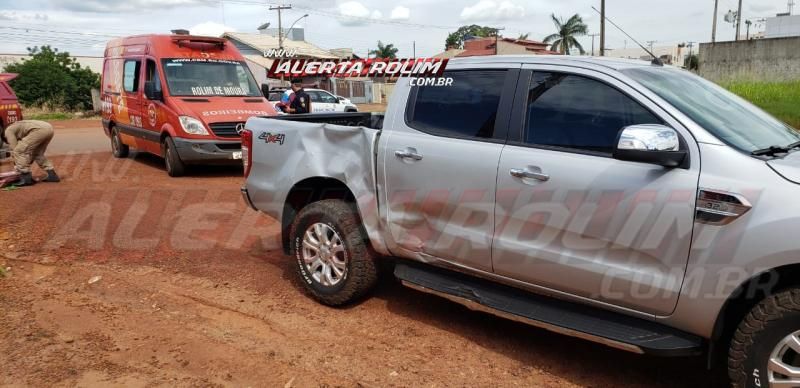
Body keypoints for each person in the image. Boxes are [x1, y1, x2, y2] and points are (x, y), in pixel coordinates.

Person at [1, 120, 60, 186]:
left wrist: (17, 165)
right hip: (49, 128)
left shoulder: (7, 132)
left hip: (39, 130)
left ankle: (26, 179)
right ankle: (52, 175)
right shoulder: (15, 127)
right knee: (37, 153)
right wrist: (25, 162)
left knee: (19, 151)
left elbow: (15, 149)